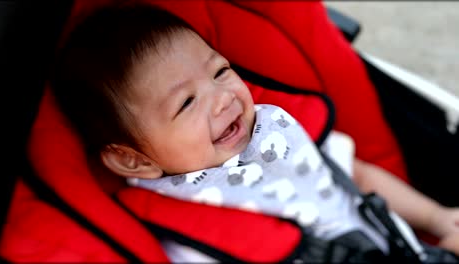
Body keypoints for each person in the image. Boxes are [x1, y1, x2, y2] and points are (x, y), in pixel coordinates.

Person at [50, 3, 459, 262]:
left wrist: (438, 219)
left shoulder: (273, 128)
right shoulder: (180, 224)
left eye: (221, 71)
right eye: (187, 103)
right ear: (134, 159)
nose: (223, 98)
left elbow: (360, 176)